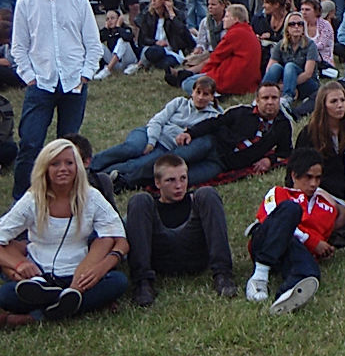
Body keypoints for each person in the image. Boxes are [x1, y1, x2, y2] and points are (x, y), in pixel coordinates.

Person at [0, 139, 128, 330]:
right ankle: (62, 303)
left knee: (118, 282)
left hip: (80, 274)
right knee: (5, 295)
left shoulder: (91, 197)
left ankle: (37, 316)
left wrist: (101, 268)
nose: (63, 169)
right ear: (45, 168)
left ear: (78, 167)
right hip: (40, 276)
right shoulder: (33, 199)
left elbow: (120, 240)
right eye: (55, 163)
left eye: (69, 163)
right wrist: (19, 264)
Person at [10, 0, 102, 200]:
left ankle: (67, 197)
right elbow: (18, 46)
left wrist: (85, 75)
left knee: (69, 148)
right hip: (41, 82)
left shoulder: (79, 1)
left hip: (73, 83)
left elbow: (93, 44)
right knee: (30, 143)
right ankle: (23, 200)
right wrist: (29, 76)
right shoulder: (26, 3)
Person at [125, 154, 237, 307]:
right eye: (170, 180)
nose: (178, 186)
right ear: (157, 183)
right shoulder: (149, 208)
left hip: (195, 257)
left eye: (183, 178)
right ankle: (142, 283)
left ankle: (223, 275)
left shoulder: (197, 202)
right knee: (139, 200)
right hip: (161, 260)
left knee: (208, 193)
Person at [244, 148, 341, 314]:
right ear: (294, 176)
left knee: (310, 274)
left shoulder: (327, 208)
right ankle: (258, 278)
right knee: (291, 210)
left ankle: (286, 296)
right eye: (308, 177)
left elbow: (318, 241)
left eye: (318, 178)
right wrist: (312, 242)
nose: (314, 184)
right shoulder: (280, 193)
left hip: (292, 252)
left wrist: (322, 249)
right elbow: (271, 222)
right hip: (266, 243)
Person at [93, 75, 222, 189]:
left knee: (136, 164)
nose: (200, 97)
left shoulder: (212, 118)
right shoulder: (179, 102)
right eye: (197, 92)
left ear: (212, 97)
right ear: (192, 92)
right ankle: (90, 164)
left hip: (166, 147)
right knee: (130, 149)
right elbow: (158, 120)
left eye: (205, 94)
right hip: (148, 133)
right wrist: (151, 142)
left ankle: (97, 178)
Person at [173, 82, 293, 186]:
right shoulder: (242, 112)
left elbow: (285, 151)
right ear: (257, 100)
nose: (270, 102)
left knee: (184, 180)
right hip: (211, 145)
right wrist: (190, 133)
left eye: (274, 98)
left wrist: (269, 160)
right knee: (173, 161)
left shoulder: (282, 125)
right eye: (265, 98)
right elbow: (215, 122)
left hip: (221, 164)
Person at [295, 81, 345, 199]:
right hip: (320, 190)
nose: (340, 105)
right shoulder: (309, 133)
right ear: (323, 105)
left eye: (343, 100)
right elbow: (296, 166)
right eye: (334, 101)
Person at [264, 12, 321, 110]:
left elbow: (308, 74)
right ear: (287, 28)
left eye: (300, 24)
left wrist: (288, 84)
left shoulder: (310, 45)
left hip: (307, 84)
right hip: (288, 83)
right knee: (275, 67)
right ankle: (263, 93)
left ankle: (287, 99)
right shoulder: (281, 44)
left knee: (290, 66)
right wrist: (280, 86)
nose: (296, 27)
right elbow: (270, 68)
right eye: (292, 24)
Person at [133, 0, 195, 73]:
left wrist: (171, 13)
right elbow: (143, 39)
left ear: (165, 0)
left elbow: (183, 32)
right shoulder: (148, 16)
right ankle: (142, 64)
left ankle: (145, 64)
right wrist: (156, 42)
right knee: (156, 51)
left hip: (171, 51)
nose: (153, 1)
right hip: (153, 48)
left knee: (165, 64)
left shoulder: (176, 15)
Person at [299, 0, 336, 71]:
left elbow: (321, 45)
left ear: (316, 11)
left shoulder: (325, 25)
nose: (304, 12)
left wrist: (303, 47)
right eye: (302, 9)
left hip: (323, 61)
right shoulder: (301, 24)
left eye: (307, 9)